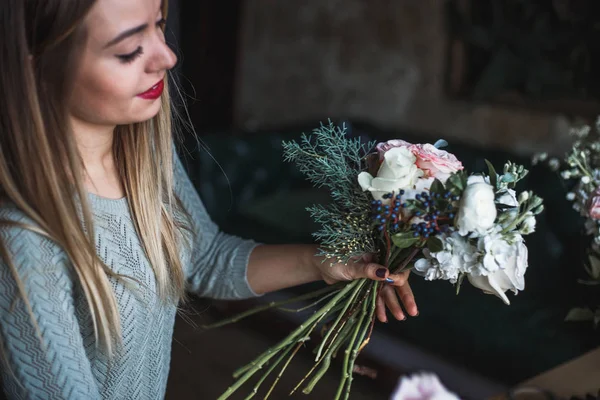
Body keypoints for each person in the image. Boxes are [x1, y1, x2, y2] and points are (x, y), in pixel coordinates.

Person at [0, 0, 418, 398]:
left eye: (160, 24)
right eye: (129, 50)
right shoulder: (22, 240)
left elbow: (205, 259)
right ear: (39, 69)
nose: (167, 57)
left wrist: (323, 262)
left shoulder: (146, 157)